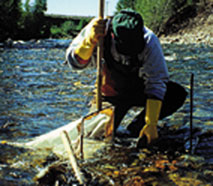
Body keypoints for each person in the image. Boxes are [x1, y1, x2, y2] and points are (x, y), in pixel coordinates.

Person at [65, 9, 187, 147]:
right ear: (112, 36)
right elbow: (75, 64)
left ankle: (136, 128)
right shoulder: (97, 30)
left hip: (139, 91)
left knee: (176, 94)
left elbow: (156, 81)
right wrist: (89, 42)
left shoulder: (150, 40)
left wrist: (151, 123)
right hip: (111, 95)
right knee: (96, 139)